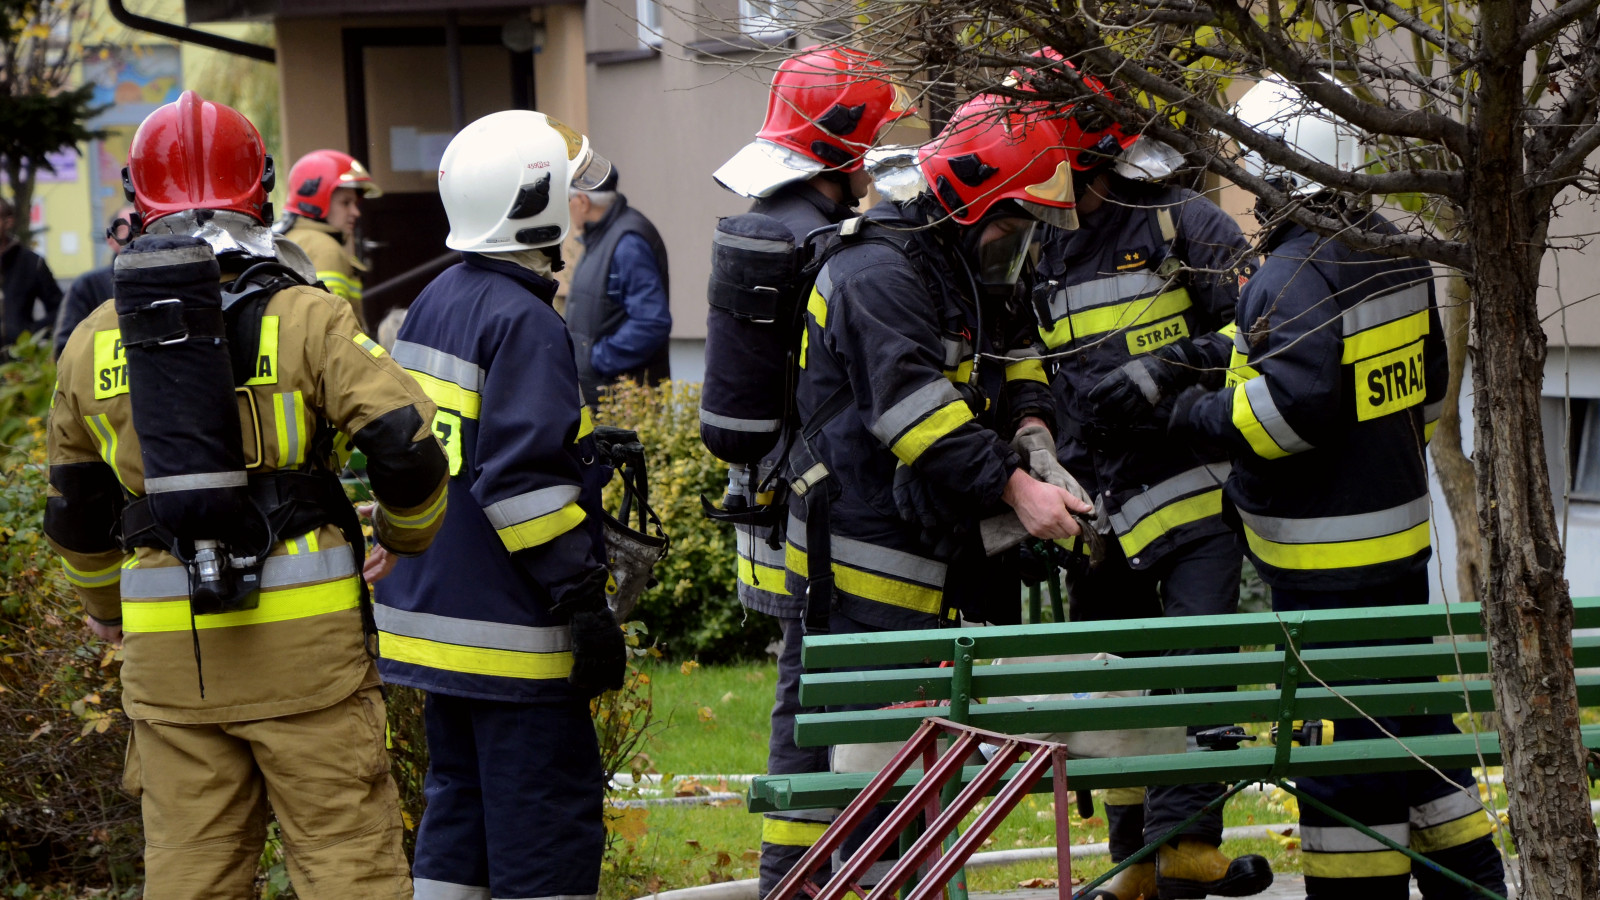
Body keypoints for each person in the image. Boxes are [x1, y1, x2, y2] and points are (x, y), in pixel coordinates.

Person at [43, 91, 448, 900]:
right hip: (309, 664)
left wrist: (106, 608)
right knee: (346, 867)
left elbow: (76, 511)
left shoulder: (91, 339)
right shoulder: (307, 316)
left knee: (192, 874)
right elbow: (407, 449)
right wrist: (402, 541)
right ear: (260, 191)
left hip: (169, 662)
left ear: (136, 200)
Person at [1159, 76, 1505, 899]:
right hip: (1398, 551)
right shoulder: (1394, 251)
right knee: (1413, 725)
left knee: (1339, 753)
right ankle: (1476, 881)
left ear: (1288, 171)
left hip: (1322, 575)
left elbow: (1290, 415)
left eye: (1257, 169)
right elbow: (1422, 386)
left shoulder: (1289, 274)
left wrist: (1197, 414)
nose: (1250, 187)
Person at [779, 90, 1095, 888]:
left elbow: (1017, 354)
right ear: (967, 202)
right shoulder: (875, 272)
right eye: (1013, 224)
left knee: (918, 774)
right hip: (861, 567)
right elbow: (916, 417)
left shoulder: (966, 261)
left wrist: (1036, 438)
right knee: (857, 770)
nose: (1016, 245)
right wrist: (1020, 492)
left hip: (932, 554)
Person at [374, 109, 628, 900]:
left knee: (459, 816)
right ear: (534, 207)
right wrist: (583, 599)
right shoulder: (524, 320)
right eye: (568, 191)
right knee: (544, 830)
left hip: (438, 628)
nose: (581, 207)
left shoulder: (436, 298)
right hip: (515, 633)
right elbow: (524, 487)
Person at [1034, 83, 1270, 900]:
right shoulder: (1035, 246)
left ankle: (1189, 845)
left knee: (1198, 672)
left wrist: (1165, 369)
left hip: (1195, 498)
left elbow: (1262, 327)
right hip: (1098, 512)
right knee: (1118, 685)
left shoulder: (1182, 222)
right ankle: (1135, 856)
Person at [709, 46, 914, 896]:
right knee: (825, 697)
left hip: (771, 500)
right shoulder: (831, 244)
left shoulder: (766, 217)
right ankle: (823, 875)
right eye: (870, 141)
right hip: (819, 516)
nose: (873, 161)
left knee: (804, 692)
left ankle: (790, 876)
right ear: (846, 146)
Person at [566, 164, 672, 403]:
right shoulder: (602, 237)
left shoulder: (628, 244)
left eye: (568, 201)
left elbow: (651, 323)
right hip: (604, 394)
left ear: (582, 201)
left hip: (622, 400)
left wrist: (595, 359)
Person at [279, 149, 382, 327]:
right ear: (317, 202)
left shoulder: (295, 238)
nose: (356, 212)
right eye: (345, 203)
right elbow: (335, 327)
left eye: (355, 204)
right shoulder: (326, 249)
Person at [53, 205, 136, 358]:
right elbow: (65, 350)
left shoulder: (172, 281)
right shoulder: (88, 286)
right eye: (129, 230)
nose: (138, 237)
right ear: (111, 240)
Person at [0, 195, 63, 355]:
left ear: (8, 222)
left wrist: (30, 334)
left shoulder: (31, 263)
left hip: (20, 365)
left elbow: (59, 309)